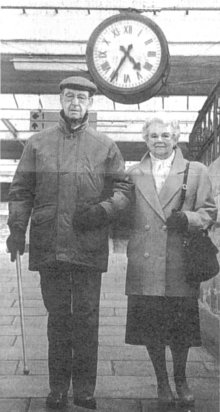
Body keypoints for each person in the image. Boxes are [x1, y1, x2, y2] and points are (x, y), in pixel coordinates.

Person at [6, 76, 132, 410]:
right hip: (50, 244)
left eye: (81, 97)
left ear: (90, 103)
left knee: (88, 318)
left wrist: (103, 211)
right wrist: (16, 229)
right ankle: (58, 389)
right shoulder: (37, 144)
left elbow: (123, 191)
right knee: (58, 318)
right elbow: (20, 190)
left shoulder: (105, 146)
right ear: (60, 101)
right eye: (69, 96)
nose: (75, 102)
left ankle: (85, 390)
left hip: (87, 244)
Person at [125, 117, 217, 407]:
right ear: (145, 139)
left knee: (181, 328)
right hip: (145, 261)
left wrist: (188, 218)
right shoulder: (133, 173)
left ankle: (181, 378)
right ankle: (162, 381)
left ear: (176, 138)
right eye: (153, 135)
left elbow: (210, 211)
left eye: (166, 134)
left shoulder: (196, 170)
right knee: (151, 327)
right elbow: (124, 214)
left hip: (180, 261)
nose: (159, 140)